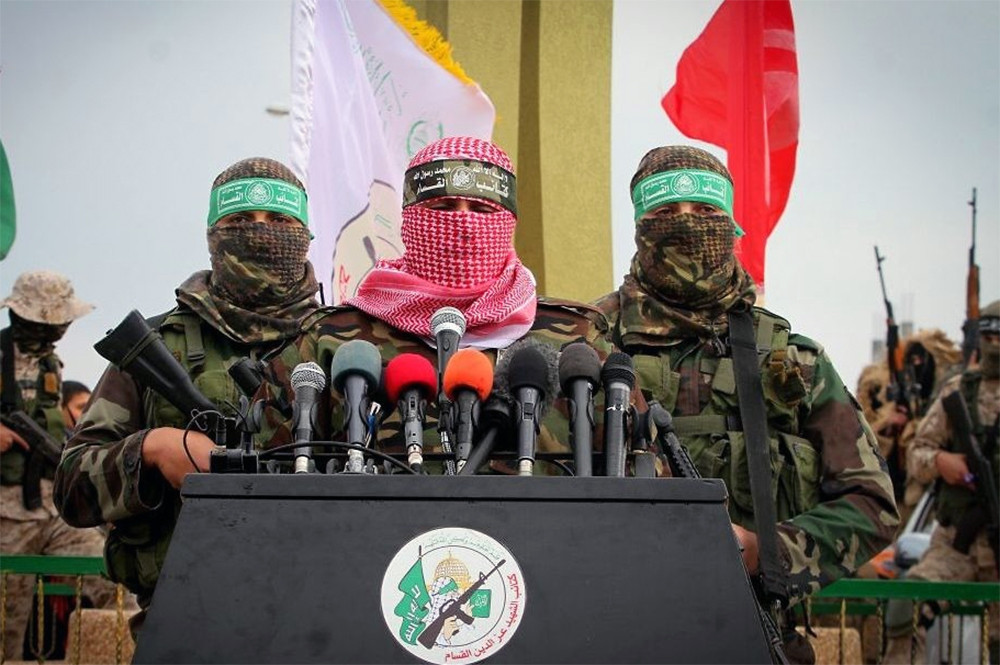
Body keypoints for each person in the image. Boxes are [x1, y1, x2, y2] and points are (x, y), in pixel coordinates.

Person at [593, 145, 899, 660]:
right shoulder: (591, 346)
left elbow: (872, 505)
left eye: (705, 211)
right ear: (641, 226)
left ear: (730, 223)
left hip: (756, 629)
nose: (687, 224)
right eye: (666, 212)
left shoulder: (792, 361)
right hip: (613, 629)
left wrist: (765, 553)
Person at [52, 157, 324, 634]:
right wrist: (154, 449)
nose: (260, 233)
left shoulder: (342, 344)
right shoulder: (157, 348)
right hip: (186, 613)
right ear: (213, 233)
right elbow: (72, 489)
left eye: (279, 221)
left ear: (305, 233)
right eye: (241, 220)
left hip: (322, 605)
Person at [260, 136, 612, 462]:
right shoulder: (333, 340)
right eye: (444, 207)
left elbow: (633, 475)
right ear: (409, 221)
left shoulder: (576, 342)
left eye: (482, 211)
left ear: (509, 222)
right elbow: (267, 473)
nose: (463, 224)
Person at [0, 270, 116, 660]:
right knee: (7, 626)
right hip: (6, 519)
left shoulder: (50, 363)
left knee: (111, 579)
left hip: (53, 510)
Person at [882, 300, 999, 665]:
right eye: (989, 336)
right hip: (955, 544)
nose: (995, 344)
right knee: (904, 606)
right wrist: (941, 462)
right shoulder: (959, 392)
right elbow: (918, 453)